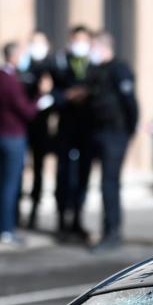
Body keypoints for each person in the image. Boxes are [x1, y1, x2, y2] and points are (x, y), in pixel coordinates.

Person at [0, 42, 53, 244]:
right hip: (13, 136)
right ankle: (6, 230)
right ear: (13, 56)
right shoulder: (9, 80)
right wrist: (42, 96)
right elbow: (27, 111)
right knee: (10, 185)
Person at [84, 30, 138, 250]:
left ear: (104, 47)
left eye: (93, 47)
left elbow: (130, 103)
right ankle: (108, 230)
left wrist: (128, 131)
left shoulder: (119, 69)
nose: (90, 52)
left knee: (109, 184)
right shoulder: (95, 71)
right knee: (104, 184)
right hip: (98, 132)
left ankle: (112, 232)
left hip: (115, 133)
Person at [52, 25, 95, 242]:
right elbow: (53, 94)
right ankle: (62, 221)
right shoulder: (60, 63)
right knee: (64, 175)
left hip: (86, 130)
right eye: (76, 39)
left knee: (82, 176)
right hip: (67, 129)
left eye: (84, 40)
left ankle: (78, 219)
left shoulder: (94, 65)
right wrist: (68, 95)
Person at [19, 31, 56, 229]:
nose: (36, 47)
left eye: (40, 43)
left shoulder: (51, 67)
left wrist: (47, 92)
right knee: (18, 169)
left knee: (38, 169)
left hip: (41, 127)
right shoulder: (23, 66)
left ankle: (34, 210)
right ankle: (16, 211)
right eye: (33, 42)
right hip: (22, 126)